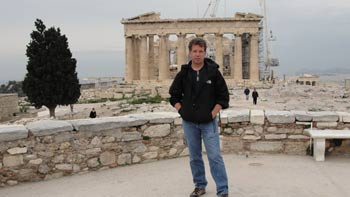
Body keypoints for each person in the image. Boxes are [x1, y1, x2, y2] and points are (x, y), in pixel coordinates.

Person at [169, 38, 229, 197]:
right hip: (189, 122)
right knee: (194, 157)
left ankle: (223, 190)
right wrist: (182, 111)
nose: (197, 54)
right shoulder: (183, 73)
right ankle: (200, 186)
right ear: (189, 53)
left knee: (215, 156)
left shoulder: (213, 72)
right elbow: (173, 95)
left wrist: (213, 113)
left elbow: (223, 97)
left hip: (208, 122)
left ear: (205, 53)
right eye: (194, 51)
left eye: (200, 51)